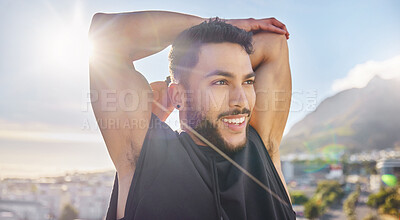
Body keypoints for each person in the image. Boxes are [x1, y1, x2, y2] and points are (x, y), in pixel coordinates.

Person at [89, 10, 294, 220]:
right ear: (178, 95)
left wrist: (220, 32)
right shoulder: (144, 156)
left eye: (247, 82)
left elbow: (273, 42)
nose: (241, 101)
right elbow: (107, 36)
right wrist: (218, 25)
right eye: (220, 82)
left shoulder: (262, 149)